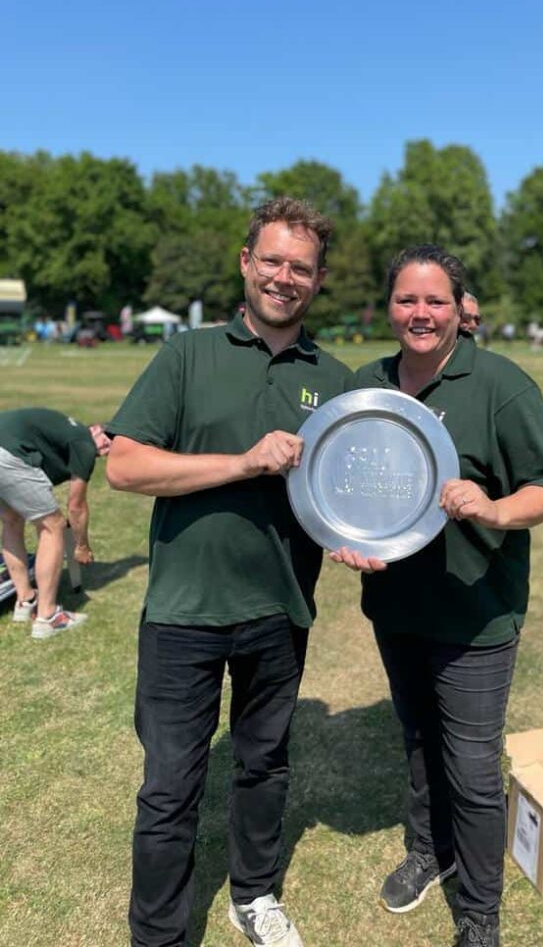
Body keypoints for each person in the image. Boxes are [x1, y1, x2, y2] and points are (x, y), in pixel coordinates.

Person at [105, 197, 351, 947]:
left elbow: (350, 494)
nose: (284, 277)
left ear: (316, 281)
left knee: (264, 766)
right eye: (271, 261)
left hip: (279, 611)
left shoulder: (334, 380)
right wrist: (244, 462)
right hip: (184, 610)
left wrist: (361, 535)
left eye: (300, 268)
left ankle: (254, 896)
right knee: (170, 788)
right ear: (246, 264)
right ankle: (159, 935)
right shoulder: (186, 354)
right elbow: (124, 465)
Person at [330, 244, 543, 947]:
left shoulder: (500, 384)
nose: (421, 314)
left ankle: (479, 915)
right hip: (397, 608)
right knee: (416, 740)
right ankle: (427, 851)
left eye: (435, 301)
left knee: (469, 766)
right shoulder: (366, 384)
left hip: (475, 611)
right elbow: (344, 482)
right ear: (389, 307)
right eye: (407, 300)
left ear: (459, 310)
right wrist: (346, 538)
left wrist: (491, 510)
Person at [0, 408, 110, 637]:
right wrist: (81, 546)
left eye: (111, 449)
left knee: (11, 520)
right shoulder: (84, 442)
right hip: (8, 453)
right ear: (96, 429)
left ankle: (25, 600)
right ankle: (48, 617)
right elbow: (76, 506)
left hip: (6, 446)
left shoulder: (69, 432)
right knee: (54, 527)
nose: (105, 449)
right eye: (107, 440)